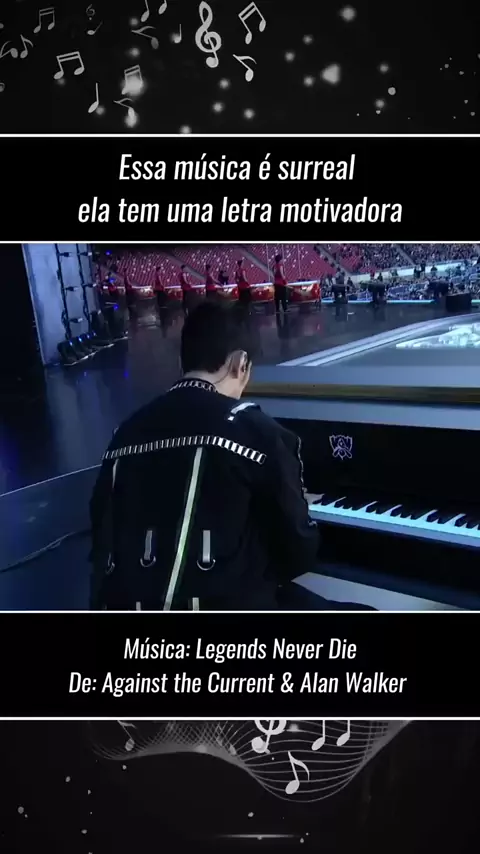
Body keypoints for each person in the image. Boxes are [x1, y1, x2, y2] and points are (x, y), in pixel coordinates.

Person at [90, 301, 372, 612]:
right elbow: (298, 553)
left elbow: (101, 537)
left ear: (182, 361)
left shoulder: (124, 433)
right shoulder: (255, 431)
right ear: (240, 363)